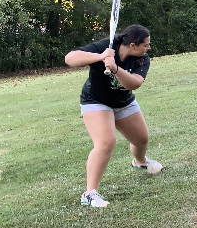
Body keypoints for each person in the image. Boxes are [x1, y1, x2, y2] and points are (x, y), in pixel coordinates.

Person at [65, 24, 162, 207]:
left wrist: (116, 68)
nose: (148, 48)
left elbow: (134, 83)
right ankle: (89, 193)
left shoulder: (142, 59)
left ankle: (140, 162)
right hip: (96, 101)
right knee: (106, 142)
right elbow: (70, 58)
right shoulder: (105, 47)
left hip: (123, 102)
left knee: (141, 139)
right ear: (133, 45)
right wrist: (101, 57)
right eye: (146, 45)